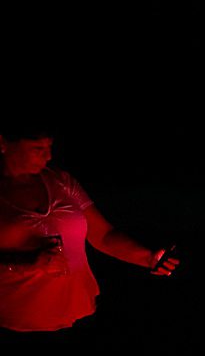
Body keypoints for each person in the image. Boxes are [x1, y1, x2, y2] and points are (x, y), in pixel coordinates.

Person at [0, 124, 178, 332]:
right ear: (3, 143)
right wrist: (28, 263)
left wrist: (148, 257)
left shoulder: (61, 182)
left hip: (79, 316)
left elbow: (103, 235)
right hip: (16, 323)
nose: (48, 156)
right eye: (37, 148)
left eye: (50, 147)